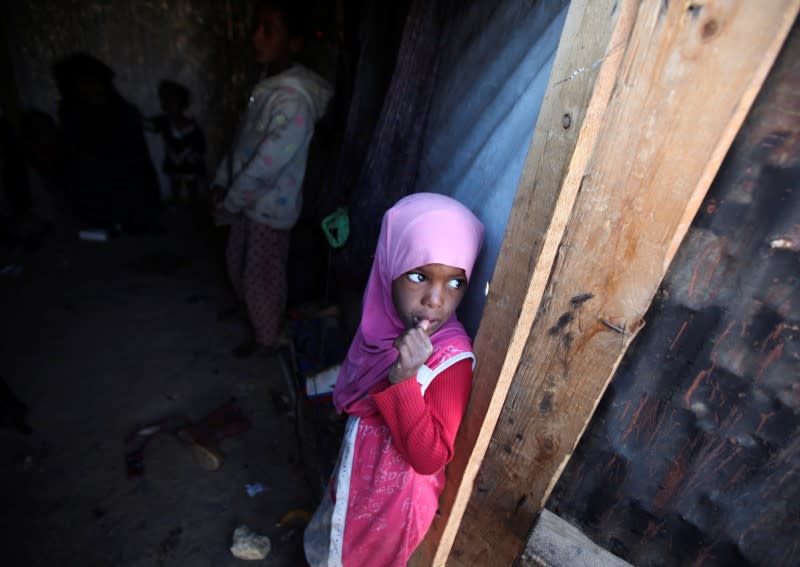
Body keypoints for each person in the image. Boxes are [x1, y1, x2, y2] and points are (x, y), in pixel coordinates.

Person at [304, 193, 484, 566]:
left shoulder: (450, 358)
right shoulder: (382, 326)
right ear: (388, 269)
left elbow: (429, 457)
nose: (436, 300)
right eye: (419, 276)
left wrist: (404, 380)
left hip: (392, 511)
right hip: (362, 484)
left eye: (455, 283)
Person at [213, 0, 333, 356]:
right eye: (256, 27)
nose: (255, 37)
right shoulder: (269, 86)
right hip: (247, 200)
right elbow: (242, 144)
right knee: (238, 263)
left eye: (268, 29)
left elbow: (269, 162)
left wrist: (232, 197)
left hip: (269, 208)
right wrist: (224, 182)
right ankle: (255, 318)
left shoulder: (294, 101)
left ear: (294, 42)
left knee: (261, 277)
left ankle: (268, 338)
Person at [149, 80, 206, 204]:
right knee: (176, 189)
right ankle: (178, 209)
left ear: (182, 103)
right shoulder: (164, 122)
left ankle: (192, 210)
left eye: (173, 102)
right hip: (174, 164)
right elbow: (149, 125)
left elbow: (199, 146)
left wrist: (191, 155)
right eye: (167, 101)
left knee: (192, 190)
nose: (170, 106)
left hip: (189, 165)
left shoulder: (192, 126)